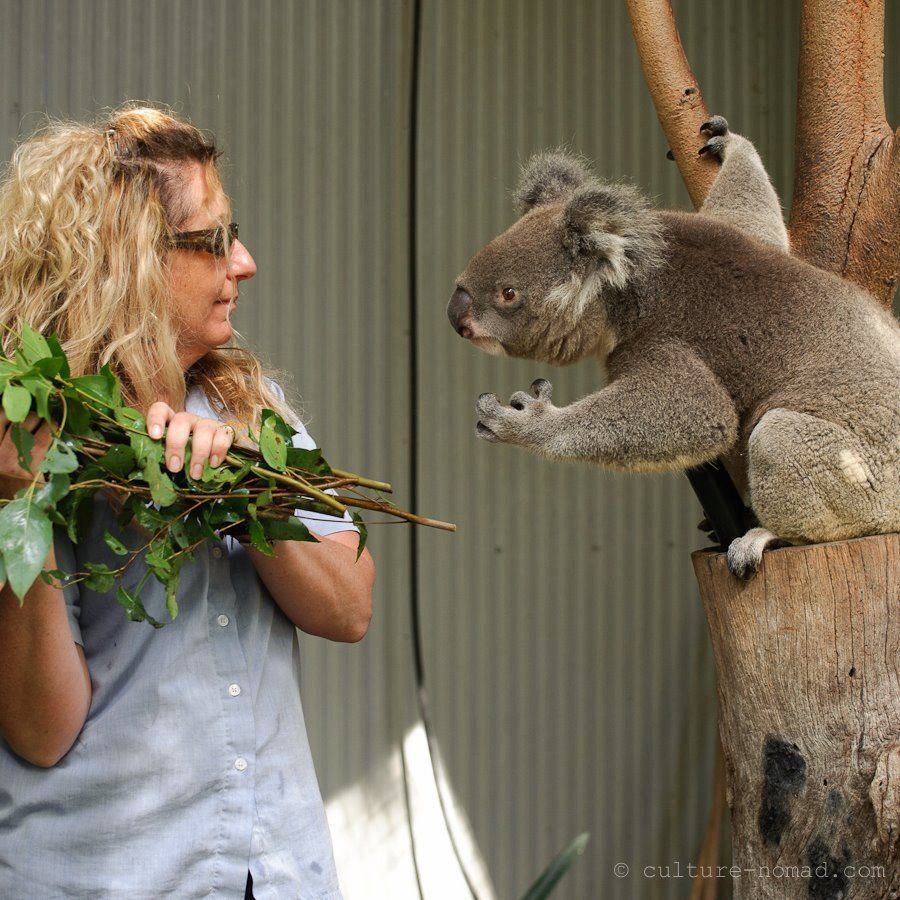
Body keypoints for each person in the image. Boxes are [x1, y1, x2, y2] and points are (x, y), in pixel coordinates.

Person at [0, 105, 374, 899]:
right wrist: (17, 505)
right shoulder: (30, 431)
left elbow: (350, 609)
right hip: (108, 879)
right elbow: (41, 731)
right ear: (128, 258)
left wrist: (246, 492)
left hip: (273, 874)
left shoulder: (253, 409)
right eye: (213, 239)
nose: (245, 262)